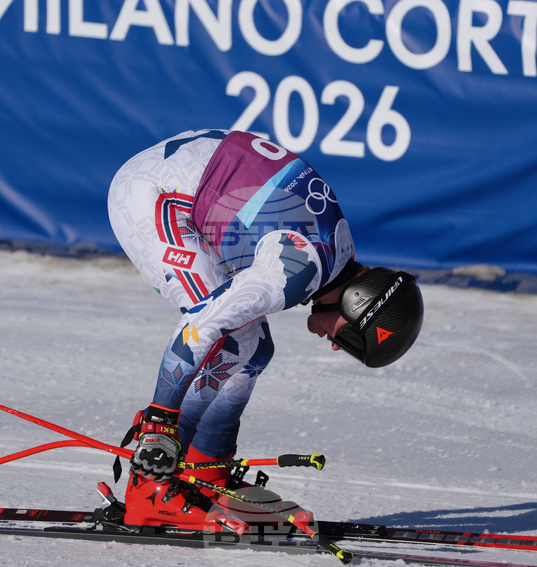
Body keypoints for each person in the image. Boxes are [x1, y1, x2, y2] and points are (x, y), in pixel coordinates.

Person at [105, 129, 424, 530]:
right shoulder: (298, 270)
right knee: (231, 336)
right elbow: (198, 327)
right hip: (152, 193)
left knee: (253, 349)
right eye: (349, 338)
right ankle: (149, 487)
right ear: (357, 304)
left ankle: (206, 472)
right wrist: (160, 422)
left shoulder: (338, 249)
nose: (336, 346)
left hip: (185, 174)